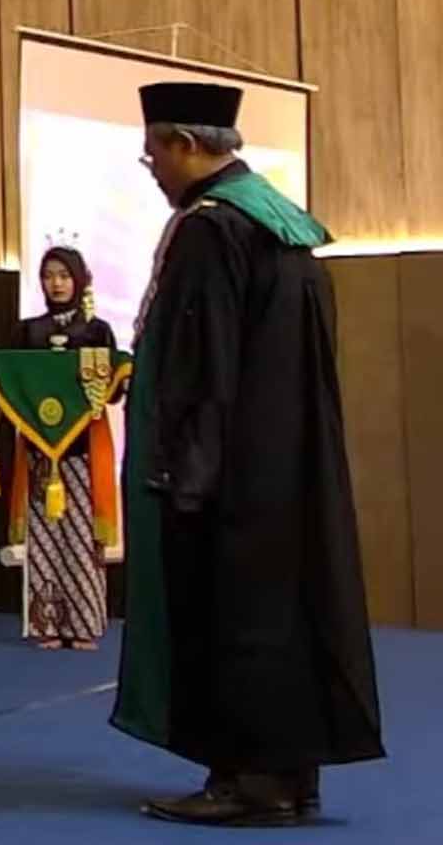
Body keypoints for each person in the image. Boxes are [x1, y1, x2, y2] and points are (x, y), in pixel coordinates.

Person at [110, 82, 385, 825]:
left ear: (184, 144)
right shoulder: (280, 225)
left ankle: (246, 782)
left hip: (226, 469)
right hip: (283, 460)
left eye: (153, 153)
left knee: (230, 615)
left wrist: (183, 474)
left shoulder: (210, 230)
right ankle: (288, 775)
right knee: (283, 613)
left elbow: (202, 364)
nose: (153, 168)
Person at [6, 245, 117, 651]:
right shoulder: (27, 332)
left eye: (64, 275)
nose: (56, 283)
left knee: (82, 538)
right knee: (45, 537)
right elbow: (13, 383)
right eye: (49, 275)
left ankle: (84, 625)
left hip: (82, 449)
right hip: (40, 451)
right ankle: (47, 625)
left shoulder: (97, 331)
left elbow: (113, 389)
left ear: (79, 280)